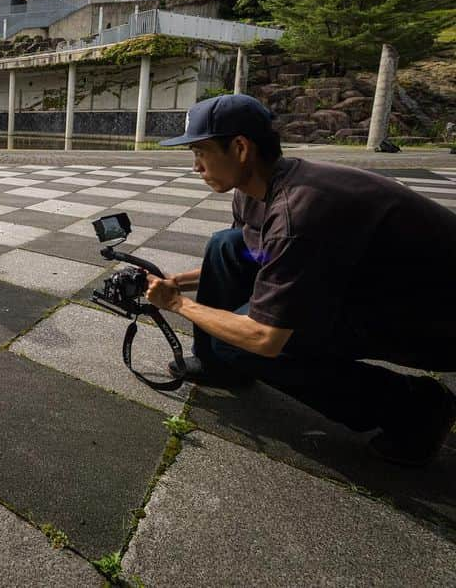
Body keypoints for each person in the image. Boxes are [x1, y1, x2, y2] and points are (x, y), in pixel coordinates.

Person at [145, 93, 456, 466]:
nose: (196, 166)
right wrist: (180, 279)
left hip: (432, 314)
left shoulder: (298, 211)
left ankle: (416, 408)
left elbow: (265, 336)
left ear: (241, 148)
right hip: (361, 278)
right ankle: (220, 367)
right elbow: (264, 255)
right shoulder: (257, 190)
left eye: (201, 152)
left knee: (245, 343)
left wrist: (178, 303)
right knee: (227, 245)